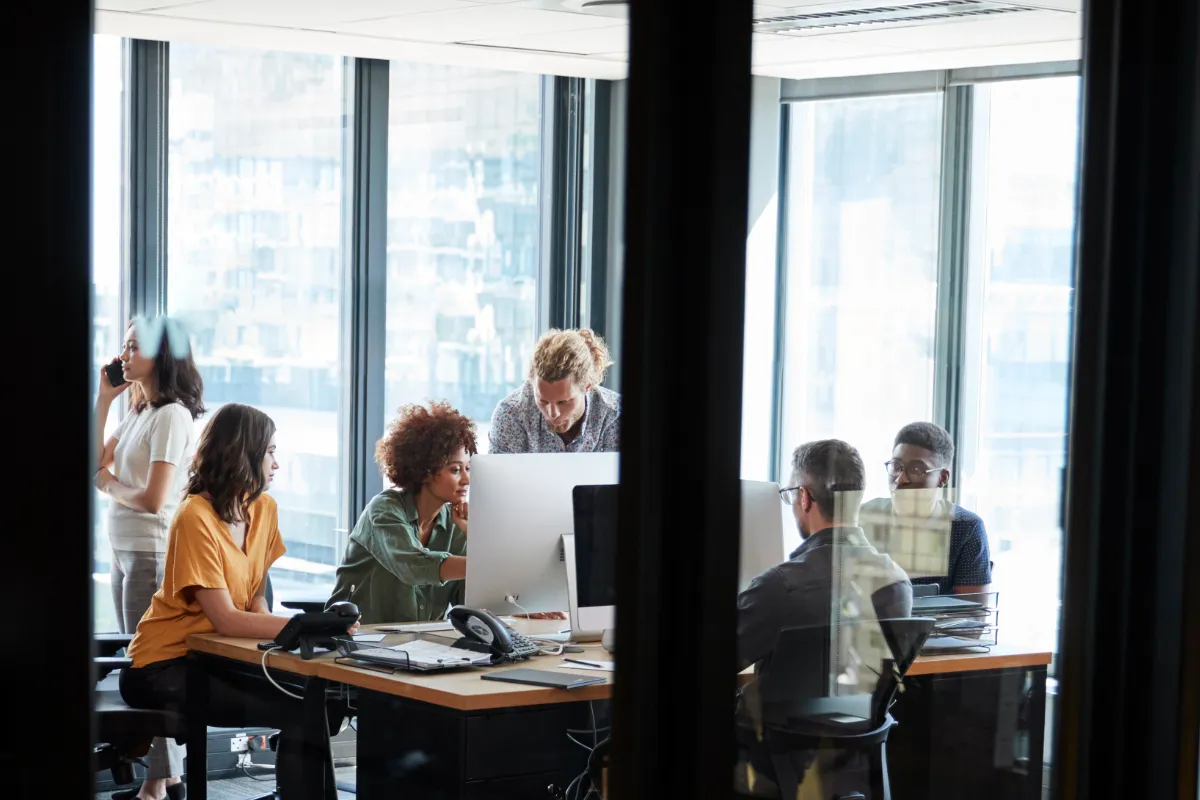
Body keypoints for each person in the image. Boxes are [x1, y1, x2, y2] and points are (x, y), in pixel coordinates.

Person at [119, 404, 357, 800]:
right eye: (270, 452)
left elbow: (255, 596)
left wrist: (277, 627)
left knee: (318, 701)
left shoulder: (263, 509)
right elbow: (226, 618)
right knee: (303, 705)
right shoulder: (194, 516)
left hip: (218, 657)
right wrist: (311, 626)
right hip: (164, 665)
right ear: (242, 454)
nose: (277, 464)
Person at [734, 439, 912, 797]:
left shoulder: (779, 587)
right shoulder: (897, 581)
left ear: (804, 497)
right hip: (855, 764)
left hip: (771, 764)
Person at [96, 317, 206, 639]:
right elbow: (95, 460)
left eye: (134, 347)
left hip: (148, 551)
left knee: (140, 657)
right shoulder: (142, 411)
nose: (123, 357)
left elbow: (153, 500)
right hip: (122, 548)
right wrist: (103, 400)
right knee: (129, 652)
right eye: (124, 347)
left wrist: (106, 483)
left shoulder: (171, 415)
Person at [328, 401, 476, 624]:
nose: (466, 479)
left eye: (468, 468)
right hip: (359, 642)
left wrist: (473, 537)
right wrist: (484, 563)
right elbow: (414, 567)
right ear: (425, 471)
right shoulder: (384, 511)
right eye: (455, 470)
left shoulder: (456, 524)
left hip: (421, 648)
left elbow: (468, 602)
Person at [859, 421, 992, 597]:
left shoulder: (965, 527)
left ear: (942, 478)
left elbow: (973, 616)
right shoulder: (863, 517)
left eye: (916, 469)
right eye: (896, 466)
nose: (900, 480)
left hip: (935, 625)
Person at [488, 328, 620, 454]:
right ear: (532, 383)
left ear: (587, 387)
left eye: (564, 402)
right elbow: (500, 477)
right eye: (543, 401)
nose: (552, 413)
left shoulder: (614, 415)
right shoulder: (510, 415)